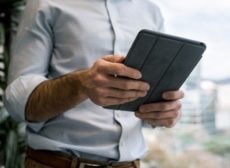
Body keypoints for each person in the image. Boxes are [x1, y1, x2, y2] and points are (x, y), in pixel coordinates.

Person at [4, 0, 184, 167]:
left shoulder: (151, 12)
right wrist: (81, 84)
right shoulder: (46, 3)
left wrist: (163, 110)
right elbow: (18, 103)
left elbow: (147, 100)